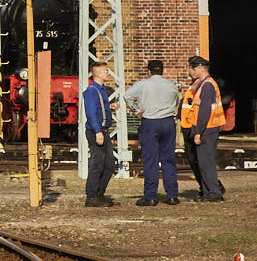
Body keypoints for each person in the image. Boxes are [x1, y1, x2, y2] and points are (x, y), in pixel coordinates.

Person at [125, 57, 182, 205]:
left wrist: (137, 110)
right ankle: (172, 195)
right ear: (162, 71)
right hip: (168, 122)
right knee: (168, 159)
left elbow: (127, 96)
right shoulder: (172, 85)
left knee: (151, 160)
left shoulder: (143, 84)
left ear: (149, 71)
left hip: (150, 122)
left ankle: (150, 196)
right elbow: (176, 101)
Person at [184, 56, 228, 202]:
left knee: (205, 162)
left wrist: (197, 132)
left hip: (207, 129)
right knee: (204, 161)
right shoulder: (204, 84)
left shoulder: (207, 85)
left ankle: (214, 193)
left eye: (192, 68)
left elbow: (204, 111)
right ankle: (207, 192)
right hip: (208, 128)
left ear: (199, 68)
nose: (190, 71)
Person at [80, 63, 119, 206]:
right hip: (96, 131)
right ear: (97, 74)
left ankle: (99, 194)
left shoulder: (101, 90)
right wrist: (97, 131)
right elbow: (90, 113)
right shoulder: (91, 91)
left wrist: (109, 107)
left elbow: (98, 108)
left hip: (103, 131)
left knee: (109, 164)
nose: (108, 73)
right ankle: (91, 196)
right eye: (105, 71)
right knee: (97, 164)